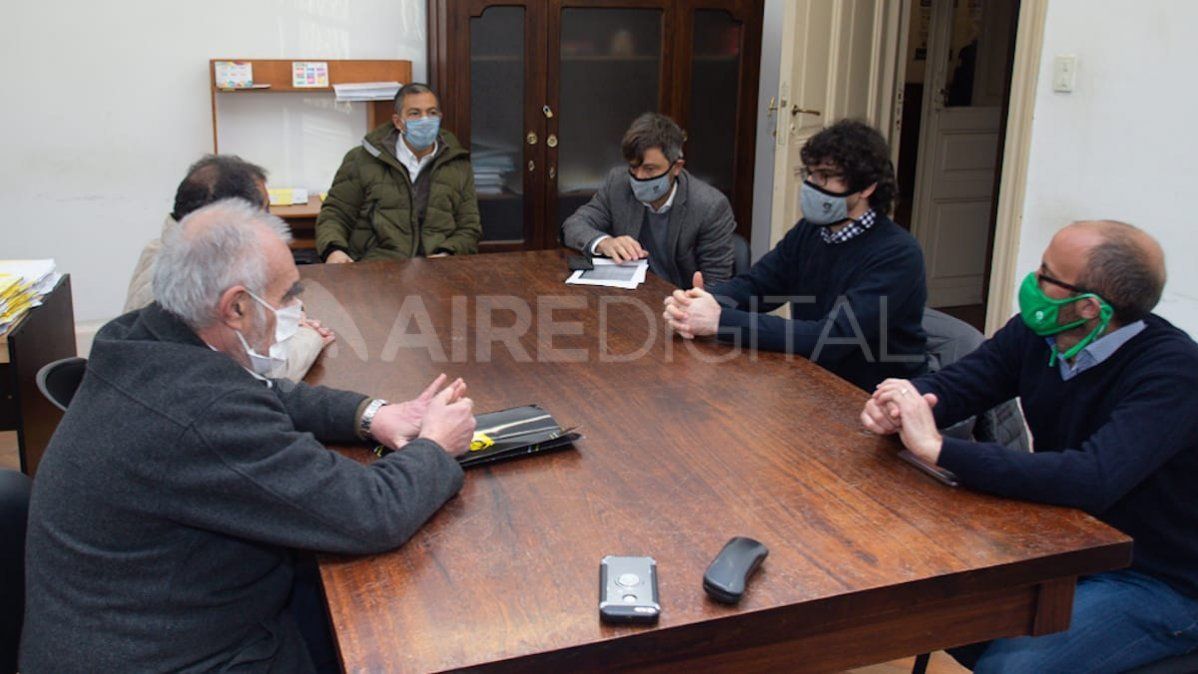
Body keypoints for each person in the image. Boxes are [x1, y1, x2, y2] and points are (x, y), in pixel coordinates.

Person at [21, 199, 477, 673]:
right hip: (181, 656)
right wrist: (435, 446)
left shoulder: (143, 338)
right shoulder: (204, 414)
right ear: (236, 307)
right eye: (287, 296)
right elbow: (370, 513)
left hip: (136, 620)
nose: (297, 310)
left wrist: (370, 415)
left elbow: (263, 392)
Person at [862, 220, 1198, 672]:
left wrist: (939, 449)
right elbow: (964, 383)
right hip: (1064, 541)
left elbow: (1091, 478)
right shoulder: (1038, 333)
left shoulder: (1174, 372)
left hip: (1157, 577)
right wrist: (904, 403)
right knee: (920, 603)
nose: (1031, 281)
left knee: (1010, 668)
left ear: (1090, 307)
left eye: (1045, 275)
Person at [663, 119, 927, 391]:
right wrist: (701, 302)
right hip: (814, 379)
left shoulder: (898, 255)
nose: (811, 185)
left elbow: (832, 338)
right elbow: (759, 286)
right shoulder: (811, 231)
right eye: (810, 174)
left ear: (867, 187)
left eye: (824, 176)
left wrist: (720, 320)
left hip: (876, 395)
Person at [124, 154, 332, 381]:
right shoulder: (191, 286)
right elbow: (262, 376)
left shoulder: (170, 250)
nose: (270, 221)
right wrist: (308, 336)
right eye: (264, 211)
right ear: (230, 222)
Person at [562, 112, 735, 289]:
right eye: (633, 167)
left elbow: (717, 283)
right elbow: (574, 225)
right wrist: (604, 242)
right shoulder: (618, 184)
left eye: (649, 169)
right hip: (629, 295)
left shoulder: (710, 206)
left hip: (679, 299)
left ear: (676, 167)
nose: (639, 177)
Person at [316, 82, 481, 262]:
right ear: (398, 122)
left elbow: (469, 228)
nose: (425, 120)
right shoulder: (362, 159)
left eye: (432, 113)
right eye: (415, 113)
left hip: (436, 268)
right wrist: (334, 250)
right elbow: (335, 215)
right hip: (377, 267)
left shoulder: (458, 164)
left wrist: (446, 254)